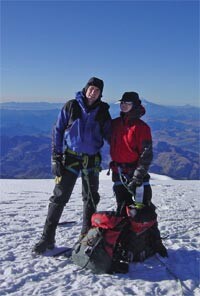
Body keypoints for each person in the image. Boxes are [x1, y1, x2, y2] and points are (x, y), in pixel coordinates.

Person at [33, 77, 111, 254]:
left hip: (91, 160)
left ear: (100, 94)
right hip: (70, 158)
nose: (93, 92)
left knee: (90, 199)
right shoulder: (71, 106)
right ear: (85, 89)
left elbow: (109, 135)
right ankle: (47, 238)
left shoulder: (103, 111)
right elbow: (58, 130)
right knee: (59, 197)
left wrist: (119, 154)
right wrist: (56, 157)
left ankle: (86, 238)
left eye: (97, 90)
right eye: (91, 88)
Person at [109, 91, 168, 257]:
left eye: (127, 103)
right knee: (122, 209)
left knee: (146, 209)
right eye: (122, 103)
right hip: (118, 173)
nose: (123, 106)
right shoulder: (115, 124)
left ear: (135, 105)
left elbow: (146, 154)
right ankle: (125, 243)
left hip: (137, 175)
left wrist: (138, 176)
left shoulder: (142, 128)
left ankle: (156, 243)